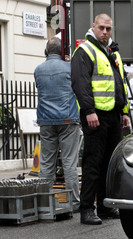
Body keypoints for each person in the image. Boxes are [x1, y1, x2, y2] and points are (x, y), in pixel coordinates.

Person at [71, 13, 130, 225]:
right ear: (93, 27)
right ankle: (87, 208)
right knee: (92, 162)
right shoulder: (85, 51)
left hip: (113, 115)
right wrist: (88, 111)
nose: (105, 32)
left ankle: (105, 207)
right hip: (95, 115)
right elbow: (80, 84)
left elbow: (120, 84)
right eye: (102, 28)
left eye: (108, 29)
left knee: (109, 163)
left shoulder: (112, 52)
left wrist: (124, 112)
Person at [34, 37, 81, 212]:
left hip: (46, 120)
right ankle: (74, 203)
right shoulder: (69, 68)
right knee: (69, 163)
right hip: (68, 119)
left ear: (46, 51)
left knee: (46, 163)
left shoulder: (38, 70)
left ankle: (44, 202)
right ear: (62, 51)